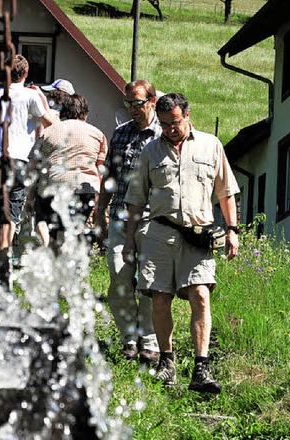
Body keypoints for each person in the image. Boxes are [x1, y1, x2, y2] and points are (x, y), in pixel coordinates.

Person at [123, 92, 240, 394]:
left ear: (187, 115)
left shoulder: (211, 145)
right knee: (160, 298)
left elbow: (225, 191)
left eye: (174, 123)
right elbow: (135, 200)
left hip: (197, 234)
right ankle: (167, 361)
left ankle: (201, 368)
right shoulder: (150, 151)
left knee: (201, 295)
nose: (170, 129)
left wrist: (232, 229)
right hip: (159, 233)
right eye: (163, 125)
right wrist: (129, 241)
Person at [94, 79, 162, 364]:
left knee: (148, 283)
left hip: (152, 220)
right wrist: (100, 211)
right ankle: (129, 340)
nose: (133, 109)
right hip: (120, 218)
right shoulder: (120, 134)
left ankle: (149, 343)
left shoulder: (164, 135)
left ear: (152, 101)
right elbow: (109, 177)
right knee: (119, 280)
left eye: (138, 103)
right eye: (128, 104)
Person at [0, 54, 54, 252]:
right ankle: (3, 256)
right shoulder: (31, 95)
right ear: (26, 74)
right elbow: (51, 123)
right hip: (18, 157)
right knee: (12, 208)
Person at [28, 94, 106, 249]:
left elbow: (32, 167)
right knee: (72, 233)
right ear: (85, 114)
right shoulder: (97, 134)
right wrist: (100, 204)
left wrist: (30, 197)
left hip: (53, 187)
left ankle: (53, 262)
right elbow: (101, 170)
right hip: (85, 189)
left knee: (53, 233)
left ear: (62, 112)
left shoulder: (48, 132)